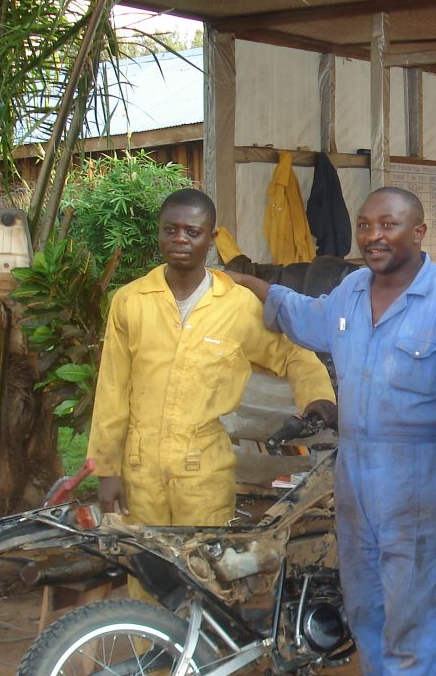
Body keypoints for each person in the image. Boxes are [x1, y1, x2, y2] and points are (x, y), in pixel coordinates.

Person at [230, 187, 436, 676]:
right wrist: (245, 281)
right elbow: (297, 313)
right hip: (357, 478)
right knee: (369, 619)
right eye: (365, 225)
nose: (373, 235)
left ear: (419, 231)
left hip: (420, 479)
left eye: (388, 224)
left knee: (413, 628)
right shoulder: (346, 295)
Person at [87, 187, 336, 528]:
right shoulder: (132, 302)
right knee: (146, 569)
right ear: (158, 232)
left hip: (204, 470)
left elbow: (293, 354)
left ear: (212, 237)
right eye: (170, 229)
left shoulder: (237, 305)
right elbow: (111, 390)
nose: (180, 239)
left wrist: (318, 399)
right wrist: (106, 470)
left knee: (204, 570)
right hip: (139, 470)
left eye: (193, 232)